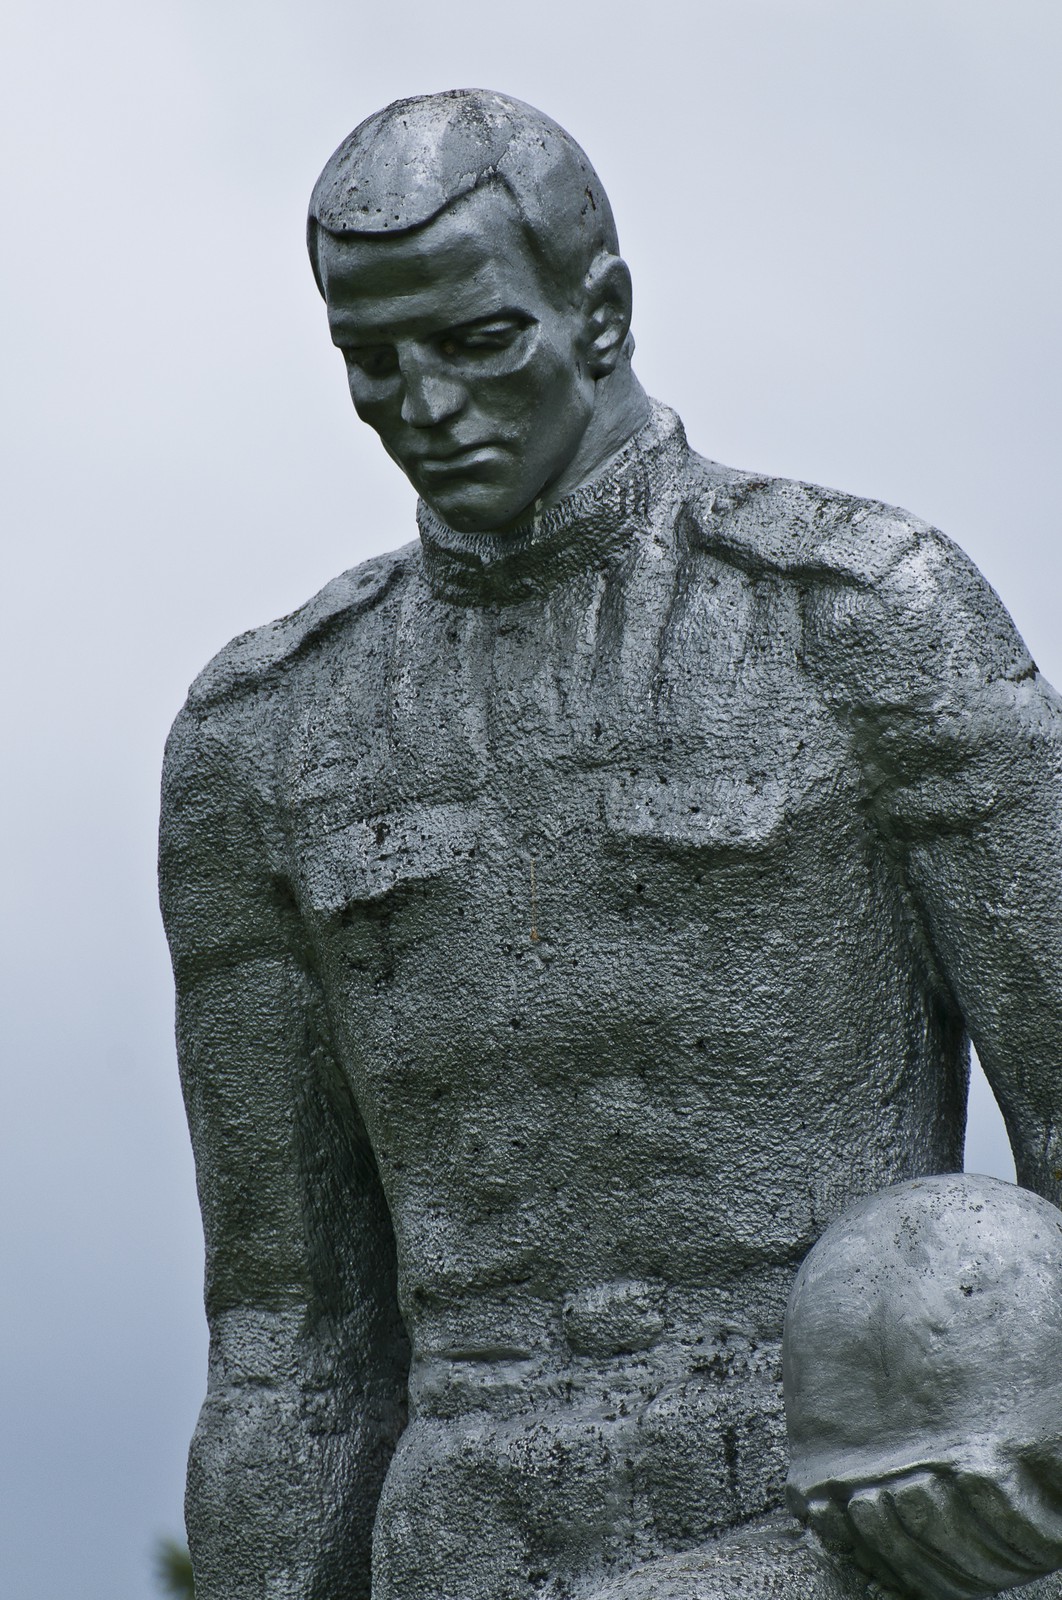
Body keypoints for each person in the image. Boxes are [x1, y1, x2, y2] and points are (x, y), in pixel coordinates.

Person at [159, 89, 1062, 1600]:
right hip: (459, 1538)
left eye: (476, 340)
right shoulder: (260, 734)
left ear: (600, 313)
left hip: (839, 1522)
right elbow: (284, 1339)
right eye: (370, 362)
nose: (424, 404)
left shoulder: (861, 617)